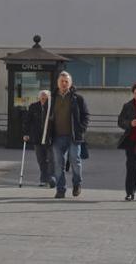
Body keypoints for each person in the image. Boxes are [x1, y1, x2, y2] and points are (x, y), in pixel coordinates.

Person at [46, 71, 89, 199]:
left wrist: (81, 129)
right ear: (58, 83)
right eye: (62, 81)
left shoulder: (77, 98)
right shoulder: (52, 98)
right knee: (58, 164)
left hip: (73, 136)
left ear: (70, 83)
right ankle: (60, 189)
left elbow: (85, 115)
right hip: (57, 136)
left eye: (66, 81)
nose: (64, 83)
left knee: (75, 160)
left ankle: (77, 184)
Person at [22, 90, 55, 187]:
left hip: (49, 138)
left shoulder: (52, 107)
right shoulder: (33, 107)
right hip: (37, 137)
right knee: (41, 160)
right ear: (39, 98)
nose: (44, 99)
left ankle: (51, 178)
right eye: (42, 97)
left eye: (46, 97)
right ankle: (43, 179)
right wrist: (26, 133)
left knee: (51, 159)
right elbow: (27, 121)